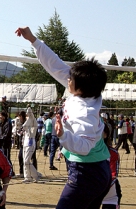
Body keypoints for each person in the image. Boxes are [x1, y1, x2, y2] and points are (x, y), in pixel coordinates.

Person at [16, 27, 111, 208]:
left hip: (88, 171)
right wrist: (33, 40)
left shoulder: (85, 113)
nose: (67, 79)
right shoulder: (83, 91)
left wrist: (62, 136)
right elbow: (55, 65)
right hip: (92, 169)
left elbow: (83, 148)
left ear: (80, 86)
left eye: (71, 79)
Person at [101, 122, 122, 209]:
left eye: (98, 132)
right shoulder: (82, 152)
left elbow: (113, 175)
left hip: (108, 190)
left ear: (105, 135)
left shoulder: (112, 153)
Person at [22, 107, 40, 183]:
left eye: (28, 114)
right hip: (25, 143)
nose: (27, 115)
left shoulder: (33, 121)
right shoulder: (28, 122)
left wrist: (29, 110)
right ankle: (27, 177)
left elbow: (30, 115)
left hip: (30, 143)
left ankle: (36, 175)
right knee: (25, 161)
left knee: (27, 161)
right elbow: (23, 126)